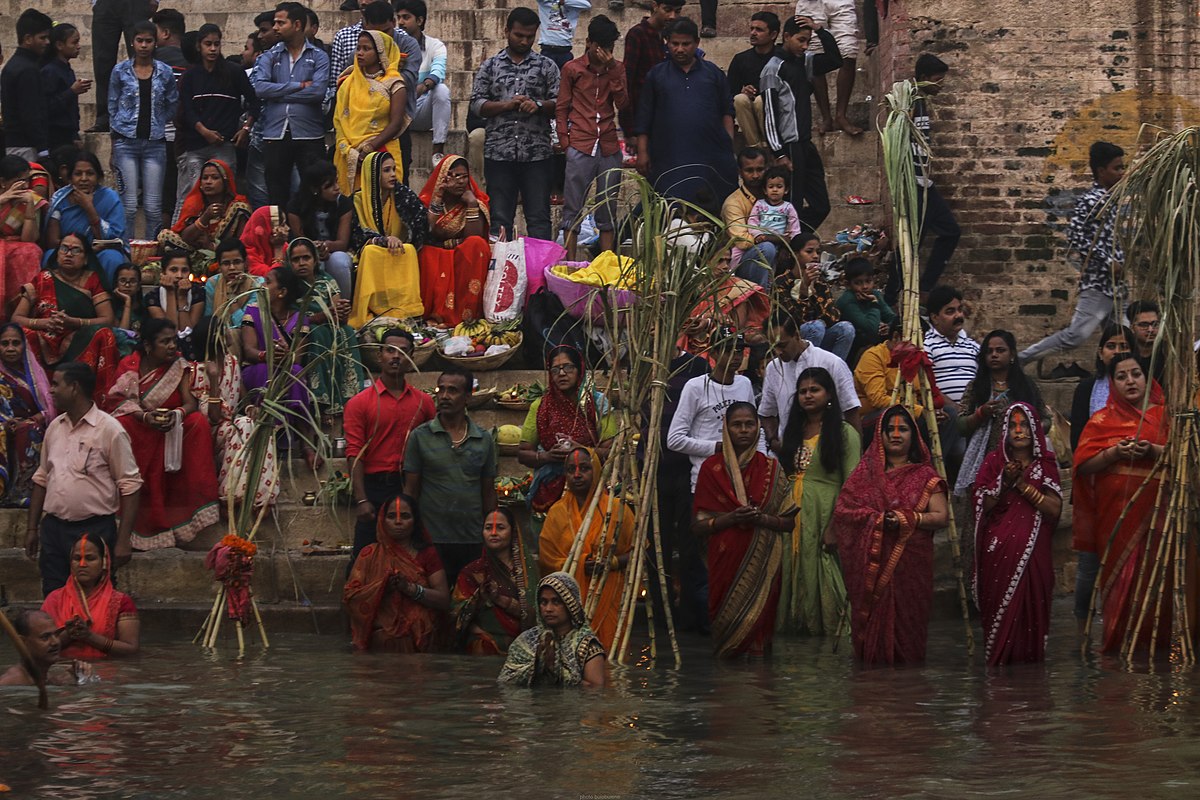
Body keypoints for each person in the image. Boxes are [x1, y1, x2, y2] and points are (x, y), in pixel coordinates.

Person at [833, 405, 949, 664]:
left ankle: (906, 693)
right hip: (871, 568)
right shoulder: (864, 476)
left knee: (908, 632)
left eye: (903, 429)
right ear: (879, 436)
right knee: (872, 642)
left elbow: (941, 517)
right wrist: (877, 520)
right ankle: (875, 692)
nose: (896, 435)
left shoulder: (925, 476)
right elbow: (844, 512)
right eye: (889, 430)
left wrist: (905, 519)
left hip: (911, 564)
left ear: (914, 436)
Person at [1072, 354, 1169, 653]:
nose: (1130, 381)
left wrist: (1153, 450)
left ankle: (1156, 647)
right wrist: (1114, 454)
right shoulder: (1101, 421)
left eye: (1136, 374)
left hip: (1157, 517)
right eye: (1122, 376)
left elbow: (1184, 457)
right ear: (1112, 383)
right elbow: (1083, 466)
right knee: (1119, 584)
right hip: (1114, 517)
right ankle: (1117, 647)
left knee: (1154, 583)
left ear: (1147, 378)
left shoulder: (1167, 417)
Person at [25, 362, 142, 595]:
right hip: (54, 530)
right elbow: (42, 479)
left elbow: (130, 486)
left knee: (96, 598)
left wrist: (123, 540)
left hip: (95, 529)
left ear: (75, 387)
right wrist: (32, 529)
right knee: (54, 595)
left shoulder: (110, 430)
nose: (51, 390)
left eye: (57, 384)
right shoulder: (54, 428)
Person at [106, 318, 219, 550]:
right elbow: (119, 403)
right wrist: (146, 418)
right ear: (148, 345)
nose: (171, 346)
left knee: (197, 422)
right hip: (141, 426)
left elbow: (190, 404)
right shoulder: (129, 366)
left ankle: (189, 507)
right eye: (164, 341)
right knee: (124, 424)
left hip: (171, 428)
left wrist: (175, 415)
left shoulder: (179, 366)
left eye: (173, 341)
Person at [692, 402, 792, 657]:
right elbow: (698, 526)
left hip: (764, 562)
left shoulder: (772, 468)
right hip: (725, 559)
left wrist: (761, 519)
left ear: (758, 428)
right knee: (726, 639)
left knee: (759, 638)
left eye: (749, 424)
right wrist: (731, 518)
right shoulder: (710, 469)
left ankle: (759, 686)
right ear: (726, 428)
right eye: (737, 425)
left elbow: (788, 522)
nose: (744, 430)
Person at [1018, 142, 1126, 367]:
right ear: (1101, 171)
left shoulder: (1111, 199)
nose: (1122, 173)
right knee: (1075, 336)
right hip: (1098, 286)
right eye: (1117, 168)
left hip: (1115, 287)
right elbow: (1075, 237)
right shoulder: (1090, 200)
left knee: (1123, 339)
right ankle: (1019, 361)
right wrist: (1108, 262)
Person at [973, 403, 1062, 665]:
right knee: (999, 629)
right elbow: (980, 504)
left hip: (1035, 553)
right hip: (998, 553)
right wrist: (1003, 480)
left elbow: (1055, 508)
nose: (1019, 431)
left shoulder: (1045, 464)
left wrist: (1022, 485)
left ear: (1034, 429)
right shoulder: (993, 462)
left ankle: (1031, 683)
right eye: (1013, 425)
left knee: (1032, 618)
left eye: (1024, 425)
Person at [777, 367, 860, 636]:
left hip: (825, 513)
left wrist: (835, 526)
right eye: (802, 391)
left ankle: (831, 640)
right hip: (792, 514)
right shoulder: (792, 431)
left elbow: (852, 484)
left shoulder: (845, 433)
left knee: (824, 573)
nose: (808, 396)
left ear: (829, 395)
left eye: (815, 390)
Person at [344, 329, 435, 564]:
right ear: (380, 355)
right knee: (364, 556)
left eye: (403, 352)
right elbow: (354, 452)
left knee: (413, 557)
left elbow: (433, 445)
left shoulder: (423, 403)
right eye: (390, 351)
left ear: (412, 356)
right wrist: (362, 499)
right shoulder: (359, 403)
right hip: (374, 488)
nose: (396, 357)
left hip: (411, 486)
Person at [470, 7, 560, 240]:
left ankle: (538, 274)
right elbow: (477, 104)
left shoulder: (547, 66)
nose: (524, 41)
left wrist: (538, 106)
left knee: (539, 218)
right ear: (507, 30)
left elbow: (560, 103)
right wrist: (506, 105)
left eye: (530, 36)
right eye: (519, 35)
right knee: (499, 219)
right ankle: (501, 272)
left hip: (537, 155)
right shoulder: (490, 66)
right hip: (499, 154)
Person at [403, 366, 498, 586]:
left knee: (468, 601)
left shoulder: (483, 439)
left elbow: (488, 491)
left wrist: (492, 529)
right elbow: (411, 490)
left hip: (471, 538)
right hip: (432, 538)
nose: (444, 396)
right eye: (441, 389)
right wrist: (411, 534)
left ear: (467, 397)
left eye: (453, 391)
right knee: (435, 601)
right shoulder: (421, 436)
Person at [634, 17, 737, 212]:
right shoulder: (656, 75)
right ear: (667, 43)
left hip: (709, 155)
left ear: (697, 43)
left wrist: (727, 144)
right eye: (675, 44)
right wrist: (643, 152)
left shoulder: (713, 74)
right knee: (668, 204)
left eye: (686, 44)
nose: (680, 49)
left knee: (710, 204)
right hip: (669, 155)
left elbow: (727, 111)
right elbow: (644, 117)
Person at [538, 446, 633, 651]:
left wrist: (612, 563)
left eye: (585, 468)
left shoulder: (617, 510)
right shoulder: (556, 513)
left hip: (609, 598)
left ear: (597, 471)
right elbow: (547, 561)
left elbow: (637, 554)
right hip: (568, 605)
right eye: (571, 470)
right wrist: (579, 564)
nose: (577, 475)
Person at [885, 54, 959, 303]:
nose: (941, 85)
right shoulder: (911, 101)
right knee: (913, 243)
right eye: (938, 80)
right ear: (924, 79)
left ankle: (915, 288)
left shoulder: (922, 102)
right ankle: (896, 295)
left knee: (925, 239)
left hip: (925, 184)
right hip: (914, 185)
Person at [12, 233, 119, 399]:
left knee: (105, 334)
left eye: (76, 250)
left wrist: (73, 322)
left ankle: (102, 400)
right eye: (64, 249)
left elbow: (108, 319)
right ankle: (32, 399)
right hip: (45, 339)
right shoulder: (43, 278)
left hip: (79, 338)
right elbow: (17, 318)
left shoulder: (92, 280)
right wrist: (45, 323)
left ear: (85, 258)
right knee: (22, 334)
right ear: (57, 253)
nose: (69, 254)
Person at [761, 15, 842, 232]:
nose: (804, 46)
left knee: (821, 206)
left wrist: (819, 29)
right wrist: (778, 153)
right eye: (800, 40)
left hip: (806, 143)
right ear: (786, 37)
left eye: (807, 41)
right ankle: (789, 252)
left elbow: (836, 60)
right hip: (790, 146)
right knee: (793, 205)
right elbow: (769, 116)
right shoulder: (773, 68)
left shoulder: (804, 61)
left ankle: (796, 239)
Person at [191, 316, 279, 510]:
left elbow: (240, 390)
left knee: (262, 426)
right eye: (224, 330)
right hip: (212, 433)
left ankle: (262, 497)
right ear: (214, 338)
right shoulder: (198, 370)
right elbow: (213, 418)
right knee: (244, 425)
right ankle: (229, 496)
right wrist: (213, 379)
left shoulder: (231, 361)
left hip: (233, 425)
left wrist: (250, 408)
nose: (230, 333)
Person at [343, 493, 450, 652]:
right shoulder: (369, 554)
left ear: (415, 522)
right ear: (382, 520)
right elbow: (350, 598)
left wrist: (410, 589)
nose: (398, 522)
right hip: (380, 636)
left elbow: (444, 600)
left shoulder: (427, 554)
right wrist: (381, 588)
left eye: (405, 516)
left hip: (421, 637)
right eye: (392, 516)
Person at [556, 14, 627, 255]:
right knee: (573, 208)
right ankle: (568, 263)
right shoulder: (572, 69)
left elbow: (623, 103)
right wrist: (565, 140)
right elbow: (562, 106)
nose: (606, 53)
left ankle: (607, 265)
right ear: (589, 43)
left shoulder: (617, 69)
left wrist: (614, 73)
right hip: (580, 143)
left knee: (608, 207)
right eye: (602, 47)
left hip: (608, 144)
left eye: (610, 48)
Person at [518, 345, 617, 515]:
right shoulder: (541, 406)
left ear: (580, 369)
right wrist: (547, 456)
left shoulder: (597, 403)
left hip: (591, 485)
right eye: (555, 369)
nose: (562, 373)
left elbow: (611, 451)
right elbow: (523, 453)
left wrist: (581, 451)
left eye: (568, 367)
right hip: (550, 489)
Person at [251, 2, 331, 207]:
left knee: (313, 192)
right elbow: (260, 88)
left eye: (280, 22)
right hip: (275, 133)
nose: (275, 27)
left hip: (309, 133)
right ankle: (281, 237)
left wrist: (277, 93)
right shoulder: (269, 55)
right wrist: (298, 86)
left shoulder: (319, 56)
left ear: (296, 24)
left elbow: (318, 92)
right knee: (276, 193)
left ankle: (311, 238)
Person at [176, 24, 259, 215]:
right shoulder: (189, 76)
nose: (212, 49)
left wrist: (246, 129)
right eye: (208, 44)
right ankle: (184, 234)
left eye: (216, 44)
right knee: (190, 194)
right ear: (199, 46)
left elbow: (255, 103)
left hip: (225, 145)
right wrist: (204, 131)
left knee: (227, 194)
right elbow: (187, 110)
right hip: (195, 145)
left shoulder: (234, 72)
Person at [107, 21, 179, 240]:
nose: (144, 45)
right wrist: (115, 136)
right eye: (140, 41)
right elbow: (112, 104)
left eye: (148, 41)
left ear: (155, 43)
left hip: (155, 143)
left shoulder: (165, 72)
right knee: (128, 205)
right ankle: (126, 251)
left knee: (153, 206)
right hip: (125, 142)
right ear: (132, 42)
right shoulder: (120, 71)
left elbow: (173, 103)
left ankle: (152, 253)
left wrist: (159, 120)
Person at [955, 330, 1046, 497]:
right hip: (985, 460)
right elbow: (961, 426)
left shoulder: (1027, 386)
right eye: (989, 352)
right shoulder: (976, 387)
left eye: (1000, 350)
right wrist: (981, 413)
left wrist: (1028, 425)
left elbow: (1046, 420)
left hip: (1022, 460)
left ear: (1012, 354)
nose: (994, 355)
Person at [759, 310, 861, 459]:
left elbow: (851, 411)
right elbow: (767, 413)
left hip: (826, 455)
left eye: (782, 345)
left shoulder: (832, 363)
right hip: (786, 455)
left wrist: (857, 457)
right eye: (772, 346)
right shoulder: (773, 368)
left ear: (797, 335)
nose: (777, 352)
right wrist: (774, 441)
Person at [284, 237, 366, 415]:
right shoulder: (288, 285)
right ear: (289, 262)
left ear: (315, 260)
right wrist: (320, 317)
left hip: (329, 325)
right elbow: (287, 317)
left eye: (306, 258)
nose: (301, 263)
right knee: (316, 333)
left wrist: (343, 312)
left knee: (347, 331)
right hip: (303, 330)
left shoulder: (327, 282)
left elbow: (337, 312)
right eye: (296, 260)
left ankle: (350, 398)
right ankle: (319, 398)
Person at [347, 150, 428, 327]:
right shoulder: (358, 200)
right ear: (373, 173)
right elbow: (357, 234)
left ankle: (408, 311)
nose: (393, 175)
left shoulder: (402, 195)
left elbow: (421, 221)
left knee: (410, 250)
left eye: (394, 169)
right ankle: (372, 310)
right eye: (386, 170)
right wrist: (382, 240)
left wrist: (406, 240)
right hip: (372, 249)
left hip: (398, 250)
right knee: (370, 252)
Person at [416, 154, 491, 325]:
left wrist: (471, 204)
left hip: (462, 256)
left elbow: (474, 238)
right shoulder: (429, 201)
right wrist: (439, 195)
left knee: (476, 245)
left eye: (464, 176)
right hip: (436, 252)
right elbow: (428, 231)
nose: (461, 181)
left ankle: (467, 315)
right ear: (443, 176)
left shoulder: (475, 201)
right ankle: (433, 314)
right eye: (455, 176)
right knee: (425, 253)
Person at [333, 26, 407, 196]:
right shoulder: (348, 81)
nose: (360, 53)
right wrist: (350, 151)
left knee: (384, 210)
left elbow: (395, 124)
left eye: (366, 49)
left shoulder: (395, 84)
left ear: (381, 52)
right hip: (348, 152)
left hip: (383, 153)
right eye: (358, 48)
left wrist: (368, 148)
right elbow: (339, 120)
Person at [498, 571, 606, 687]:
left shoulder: (587, 647)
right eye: (543, 602)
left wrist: (556, 671)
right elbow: (505, 682)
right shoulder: (526, 641)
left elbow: (594, 693)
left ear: (571, 604)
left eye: (556, 602)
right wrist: (537, 666)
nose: (548, 609)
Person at [453, 507, 537, 654]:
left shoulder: (527, 571)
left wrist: (501, 600)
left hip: (524, 643)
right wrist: (479, 598)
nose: (493, 533)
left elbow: (538, 614)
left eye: (500, 527)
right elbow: (456, 615)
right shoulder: (472, 572)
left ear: (513, 533)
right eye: (488, 528)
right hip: (485, 642)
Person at [41, 535, 140, 658]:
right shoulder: (54, 599)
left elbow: (131, 650)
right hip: (62, 671)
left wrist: (89, 637)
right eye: (77, 558)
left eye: (90, 558)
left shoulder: (121, 602)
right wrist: (68, 634)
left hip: (107, 673)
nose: (82, 564)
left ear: (104, 562)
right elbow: (40, 648)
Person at [43, 150, 128, 284]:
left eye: (90, 173)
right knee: (49, 256)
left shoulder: (109, 198)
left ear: (98, 177)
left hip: (99, 252)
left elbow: (116, 239)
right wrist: (77, 250)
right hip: (68, 251)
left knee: (112, 258)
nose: (84, 179)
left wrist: (89, 208)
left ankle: (107, 300)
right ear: (70, 178)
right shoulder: (60, 200)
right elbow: (53, 241)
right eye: (78, 174)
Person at [923, 285, 977, 479]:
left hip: (974, 414)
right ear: (935, 318)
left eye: (959, 310)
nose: (958, 315)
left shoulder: (972, 347)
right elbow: (926, 385)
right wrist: (955, 407)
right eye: (950, 311)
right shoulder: (926, 346)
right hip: (945, 415)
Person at [163, 159, 252, 273]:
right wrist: (204, 218)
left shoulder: (237, 206)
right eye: (205, 178)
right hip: (194, 252)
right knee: (164, 235)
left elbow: (242, 242)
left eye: (215, 178)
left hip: (226, 256)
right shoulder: (194, 203)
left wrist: (211, 245)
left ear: (225, 181)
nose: (208, 182)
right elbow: (185, 237)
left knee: (240, 207)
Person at [620, 0, 683, 162]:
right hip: (644, 122)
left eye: (677, 11)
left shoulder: (669, 38)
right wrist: (630, 131)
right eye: (667, 10)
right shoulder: (638, 35)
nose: (672, 16)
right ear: (655, 6)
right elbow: (627, 82)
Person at [0, 323, 55, 506]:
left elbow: (49, 407)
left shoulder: (36, 375)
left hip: (31, 424)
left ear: (24, 346)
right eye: (4, 343)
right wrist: (6, 422)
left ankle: (23, 490)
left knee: (30, 429)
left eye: (16, 343)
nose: (10, 348)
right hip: (4, 424)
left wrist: (37, 417)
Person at [394, 0, 451, 164]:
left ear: (419, 20)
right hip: (397, 111)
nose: (401, 22)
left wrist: (422, 86)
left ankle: (438, 149)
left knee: (442, 90)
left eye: (406, 17)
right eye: (399, 17)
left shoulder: (435, 45)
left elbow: (438, 72)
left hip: (420, 110)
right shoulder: (392, 45)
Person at [286, 161, 355, 297]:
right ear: (315, 189)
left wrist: (326, 246)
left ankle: (342, 308)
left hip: (335, 251)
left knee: (338, 261)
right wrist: (314, 249)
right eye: (329, 186)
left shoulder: (343, 203)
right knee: (310, 262)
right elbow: (301, 241)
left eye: (336, 182)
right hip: (306, 252)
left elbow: (342, 243)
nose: (337, 188)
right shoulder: (295, 207)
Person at [794, 0, 861, 136]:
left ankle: (841, 116)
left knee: (849, 54)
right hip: (810, 4)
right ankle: (826, 118)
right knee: (814, 57)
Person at [1067, 323, 1133, 452]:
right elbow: (1078, 436)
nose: (1117, 352)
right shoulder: (1086, 389)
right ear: (1100, 353)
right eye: (1111, 346)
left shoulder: (1143, 387)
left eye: (1123, 346)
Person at [854, 322, 926, 439]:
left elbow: (923, 393)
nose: (917, 348)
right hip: (876, 415)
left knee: (948, 415)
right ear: (896, 337)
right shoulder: (873, 356)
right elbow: (878, 399)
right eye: (914, 343)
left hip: (910, 410)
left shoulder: (916, 356)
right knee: (918, 418)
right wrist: (920, 411)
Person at [1, 10, 52, 161]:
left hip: (17, 144)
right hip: (26, 148)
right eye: (42, 38)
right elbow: (30, 113)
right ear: (28, 39)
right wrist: (43, 150)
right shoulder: (26, 69)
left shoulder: (16, 65)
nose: (47, 42)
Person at [726, 12, 780, 151]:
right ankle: (756, 149)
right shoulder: (741, 59)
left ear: (773, 35)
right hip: (751, 115)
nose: (753, 33)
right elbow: (728, 93)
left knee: (761, 101)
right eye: (752, 29)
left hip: (777, 113)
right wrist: (743, 91)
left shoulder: (781, 57)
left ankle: (770, 145)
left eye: (759, 30)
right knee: (739, 99)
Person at [741, 166, 801, 286]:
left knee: (775, 267)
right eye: (771, 187)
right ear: (765, 190)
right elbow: (752, 223)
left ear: (786, 190)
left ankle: (772, 289)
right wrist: (759, 235)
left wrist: (789, 245)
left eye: (779, 187)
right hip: (763, 243)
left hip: (780, 243)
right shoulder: (760, 205)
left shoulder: (788, 208)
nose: (775, 190)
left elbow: (795, 229)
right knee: (765, 265)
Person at [0, 609, 93, 687]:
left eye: (56, 634)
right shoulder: (12, 682)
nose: (55, 642)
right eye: (45, 637)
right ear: (23, 642)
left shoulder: (48, 678)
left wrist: (79, 679)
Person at [0, 154, 46, 305]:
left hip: (17, 246)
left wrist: (30, 207)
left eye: (27, 180)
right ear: (2, 182)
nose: (25, 185)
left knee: (31, 251)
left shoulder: (32, 199)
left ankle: (24, 308)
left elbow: (28, 239)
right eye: (19, 181)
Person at [145, 250, 206, 356]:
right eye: (173, 270)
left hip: (191, 347)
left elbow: (187, 332)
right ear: (163, 273)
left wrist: (182, 298)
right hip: (165, 347)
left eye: (184, 270)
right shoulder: (153, 297)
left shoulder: (197, 292)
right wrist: (170, 293)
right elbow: (169, 332)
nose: (179, 275)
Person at [41, 23, 90, 152]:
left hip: (68, 136)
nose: (78, 46)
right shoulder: (50, 71)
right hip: (54, 137)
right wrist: (72, 91)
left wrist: (75, 135)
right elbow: (46, 106)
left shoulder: (68, 70)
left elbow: (72, 109)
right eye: (74, 43)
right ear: (59, 45)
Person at [835, 258, 898, 358]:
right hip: (853, 348)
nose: (865, 286)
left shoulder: (875, 294)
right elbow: (870, 328)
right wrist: (874, 304)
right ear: (849, 285)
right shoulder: (848, 301)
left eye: (868, 281)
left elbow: (892, 318)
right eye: (858, 283)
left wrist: (888, 327)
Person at [206, 238, 263, 333]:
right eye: (226, 263)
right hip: (218, 338)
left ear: (245, 263)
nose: (232, 268)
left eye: (237, 262)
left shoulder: (257, 284)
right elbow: (209, 321)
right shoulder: (213, 283)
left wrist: (231, 296)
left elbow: (246, 326)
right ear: (219, 266)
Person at [241, 204, 291, 276]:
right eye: (282, 225)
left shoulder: (285, 246)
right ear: (268, 229)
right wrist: (278, 250)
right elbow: (274, 277)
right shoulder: (245, 254)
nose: (288, 228)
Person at [110, 263, 147, 355]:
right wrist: (127, 302)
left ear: (139, 286)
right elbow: (122, 336)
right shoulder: (110, 306)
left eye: (133, 281)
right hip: (119, 350)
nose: (127, 285)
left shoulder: (145, 306)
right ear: (116, 283)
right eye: (122, 281)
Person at [1126, 299, 1162, 384]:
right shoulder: (1126, 352)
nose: (1150, 329)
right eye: (1144, 325)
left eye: (1154, 324)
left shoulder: (1167, 352)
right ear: (1132, 327)